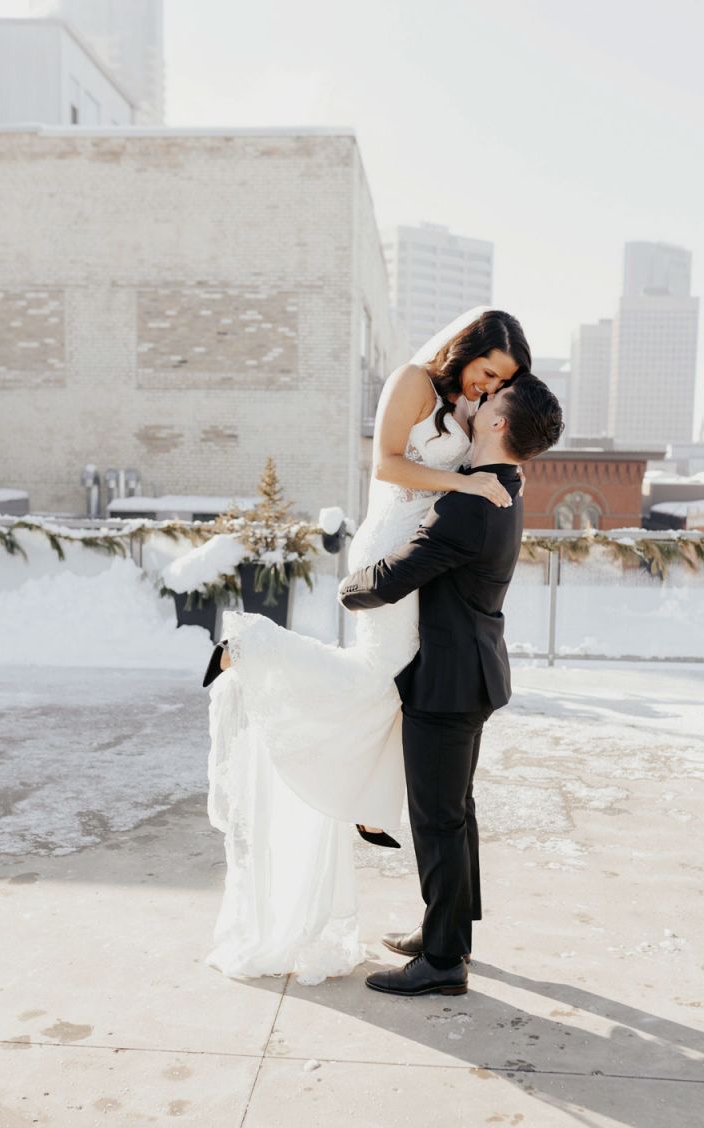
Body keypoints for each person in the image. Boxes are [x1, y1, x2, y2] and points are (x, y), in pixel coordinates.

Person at [205, 309, 530, 985]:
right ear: (467, 348)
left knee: (391, 696)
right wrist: (464, 482)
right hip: (396, 548)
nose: (486, 386)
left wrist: (477, 473)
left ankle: (439, 924)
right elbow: (385, 464)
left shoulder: (464, 408)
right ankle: (252, 646)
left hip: (428, 553)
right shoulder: (413, 379)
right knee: (373, 676)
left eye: (500, 382)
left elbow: (497, 449)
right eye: (487, 370)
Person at [339, 375, 565, 997]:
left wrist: (347, 587)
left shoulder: (471, 503)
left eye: (489, 400)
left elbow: (396, 576)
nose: (477, 402)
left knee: (437, 818)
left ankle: (442, 962)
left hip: (447, 682)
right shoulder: (505, 490)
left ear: (498, 424)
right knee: (454, 813)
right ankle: (450, 931)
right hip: (473, 672)